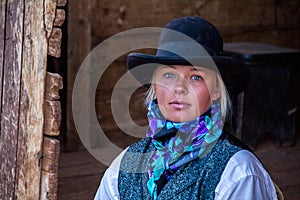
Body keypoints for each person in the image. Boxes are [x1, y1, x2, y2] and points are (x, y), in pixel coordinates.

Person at [95, 16, 281, 200]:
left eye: (195, 77)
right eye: (168, 75)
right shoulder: (124, 166)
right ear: (155, 87)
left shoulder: (238, 173)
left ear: (216, 91)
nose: (179, 88)